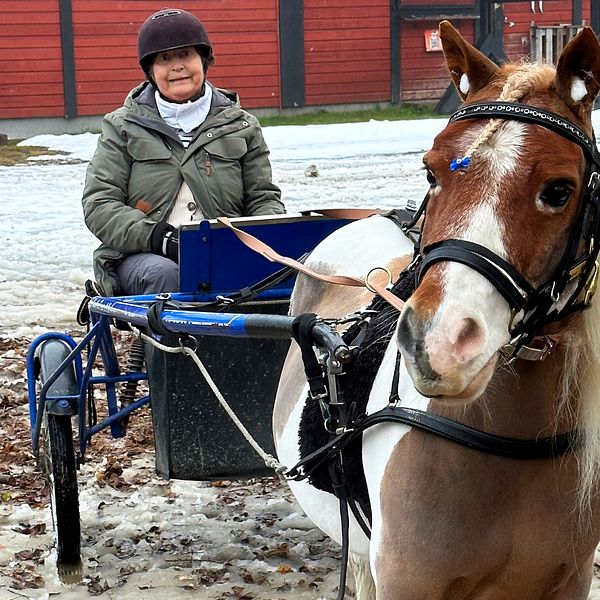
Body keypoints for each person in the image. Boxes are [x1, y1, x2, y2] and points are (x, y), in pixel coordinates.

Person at [81, 7, 285, 297]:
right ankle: (172, 344)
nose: (177, 66)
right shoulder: (121, 127)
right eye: (165, 58)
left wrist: (259, 239)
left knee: (281, 280)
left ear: (203, 60)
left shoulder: (242, 125)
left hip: (226, 254)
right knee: (170, 275)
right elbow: (99, 204)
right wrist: (158, 237)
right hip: (143, 256)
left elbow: (263, 198)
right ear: (151, 70)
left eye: (186, 55)